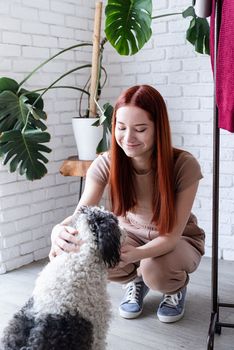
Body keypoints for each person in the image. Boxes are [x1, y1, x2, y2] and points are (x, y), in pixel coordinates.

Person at [49, 84, 205, 323]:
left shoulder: (184, 165)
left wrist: (139, 255)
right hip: (130, 235)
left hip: (179, 239)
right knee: (92, 251)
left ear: (158, 129)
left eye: (140, 129)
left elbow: (172, 237)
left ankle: (174, 288)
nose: (128, 138)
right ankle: (135, 281)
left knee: (155, 269)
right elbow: (81, 214)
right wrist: (58, 231)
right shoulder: (106, 163)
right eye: (121, 128)